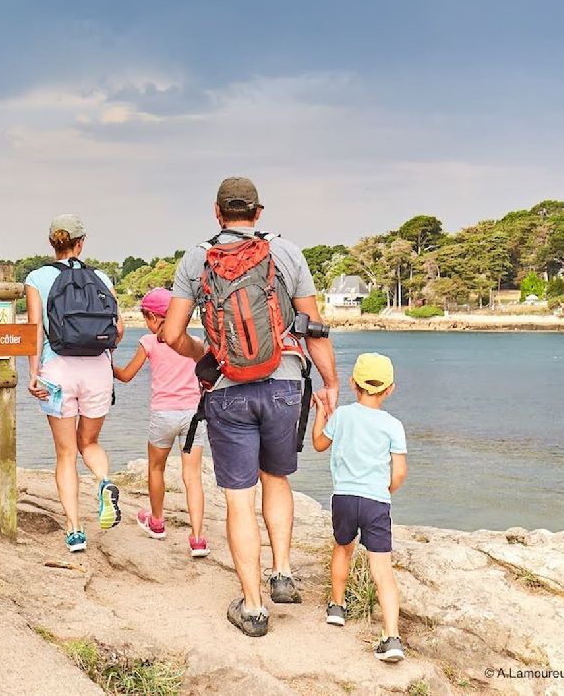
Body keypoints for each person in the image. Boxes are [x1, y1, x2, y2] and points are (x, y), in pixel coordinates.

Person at [161, 177, 339, 637]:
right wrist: (332, 383)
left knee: (239, 499)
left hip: (227, 388)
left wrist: (205, 355)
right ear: (258, 213)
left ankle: (255, 608)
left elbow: (171, 335)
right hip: (283, 384)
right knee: (276, 478)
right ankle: (282, 572)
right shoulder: (287, 253)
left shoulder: (196, 258)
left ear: (217, 213)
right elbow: (313, 327)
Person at [25, 213, 125, 553]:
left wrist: (33, 373)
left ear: (52, 242)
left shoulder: (37, 277)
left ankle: (75, 531)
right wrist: (106, 352)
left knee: (65, 454)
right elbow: (119, 328)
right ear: (81, 243)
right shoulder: (100, 276)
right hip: (98, 370)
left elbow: (35, 329)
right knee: (90, 443)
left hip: (57, 371)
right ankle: (103, 481)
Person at [312, 352, 407, 662]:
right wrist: (384, 490)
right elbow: (399, 473)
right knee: (383, 569)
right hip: (376, 501)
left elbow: (319, 444)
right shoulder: (394, 425)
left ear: (353, 383)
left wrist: (321, 414)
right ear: (390, 388)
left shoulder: (342, 417)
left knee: (342, 549)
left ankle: (337, 607)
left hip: (344, 498)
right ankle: (391, 636)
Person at [113, 287, 210, 558]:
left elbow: (126, 375)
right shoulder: (196, 341)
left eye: (146, 317)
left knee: (156, 469)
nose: (146, 323)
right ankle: (198, 538)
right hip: (192, 414)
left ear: (155, 318)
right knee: (192, 477)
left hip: (163, 415)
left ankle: (156, 522)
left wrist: (107, 362)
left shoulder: (149, 342)